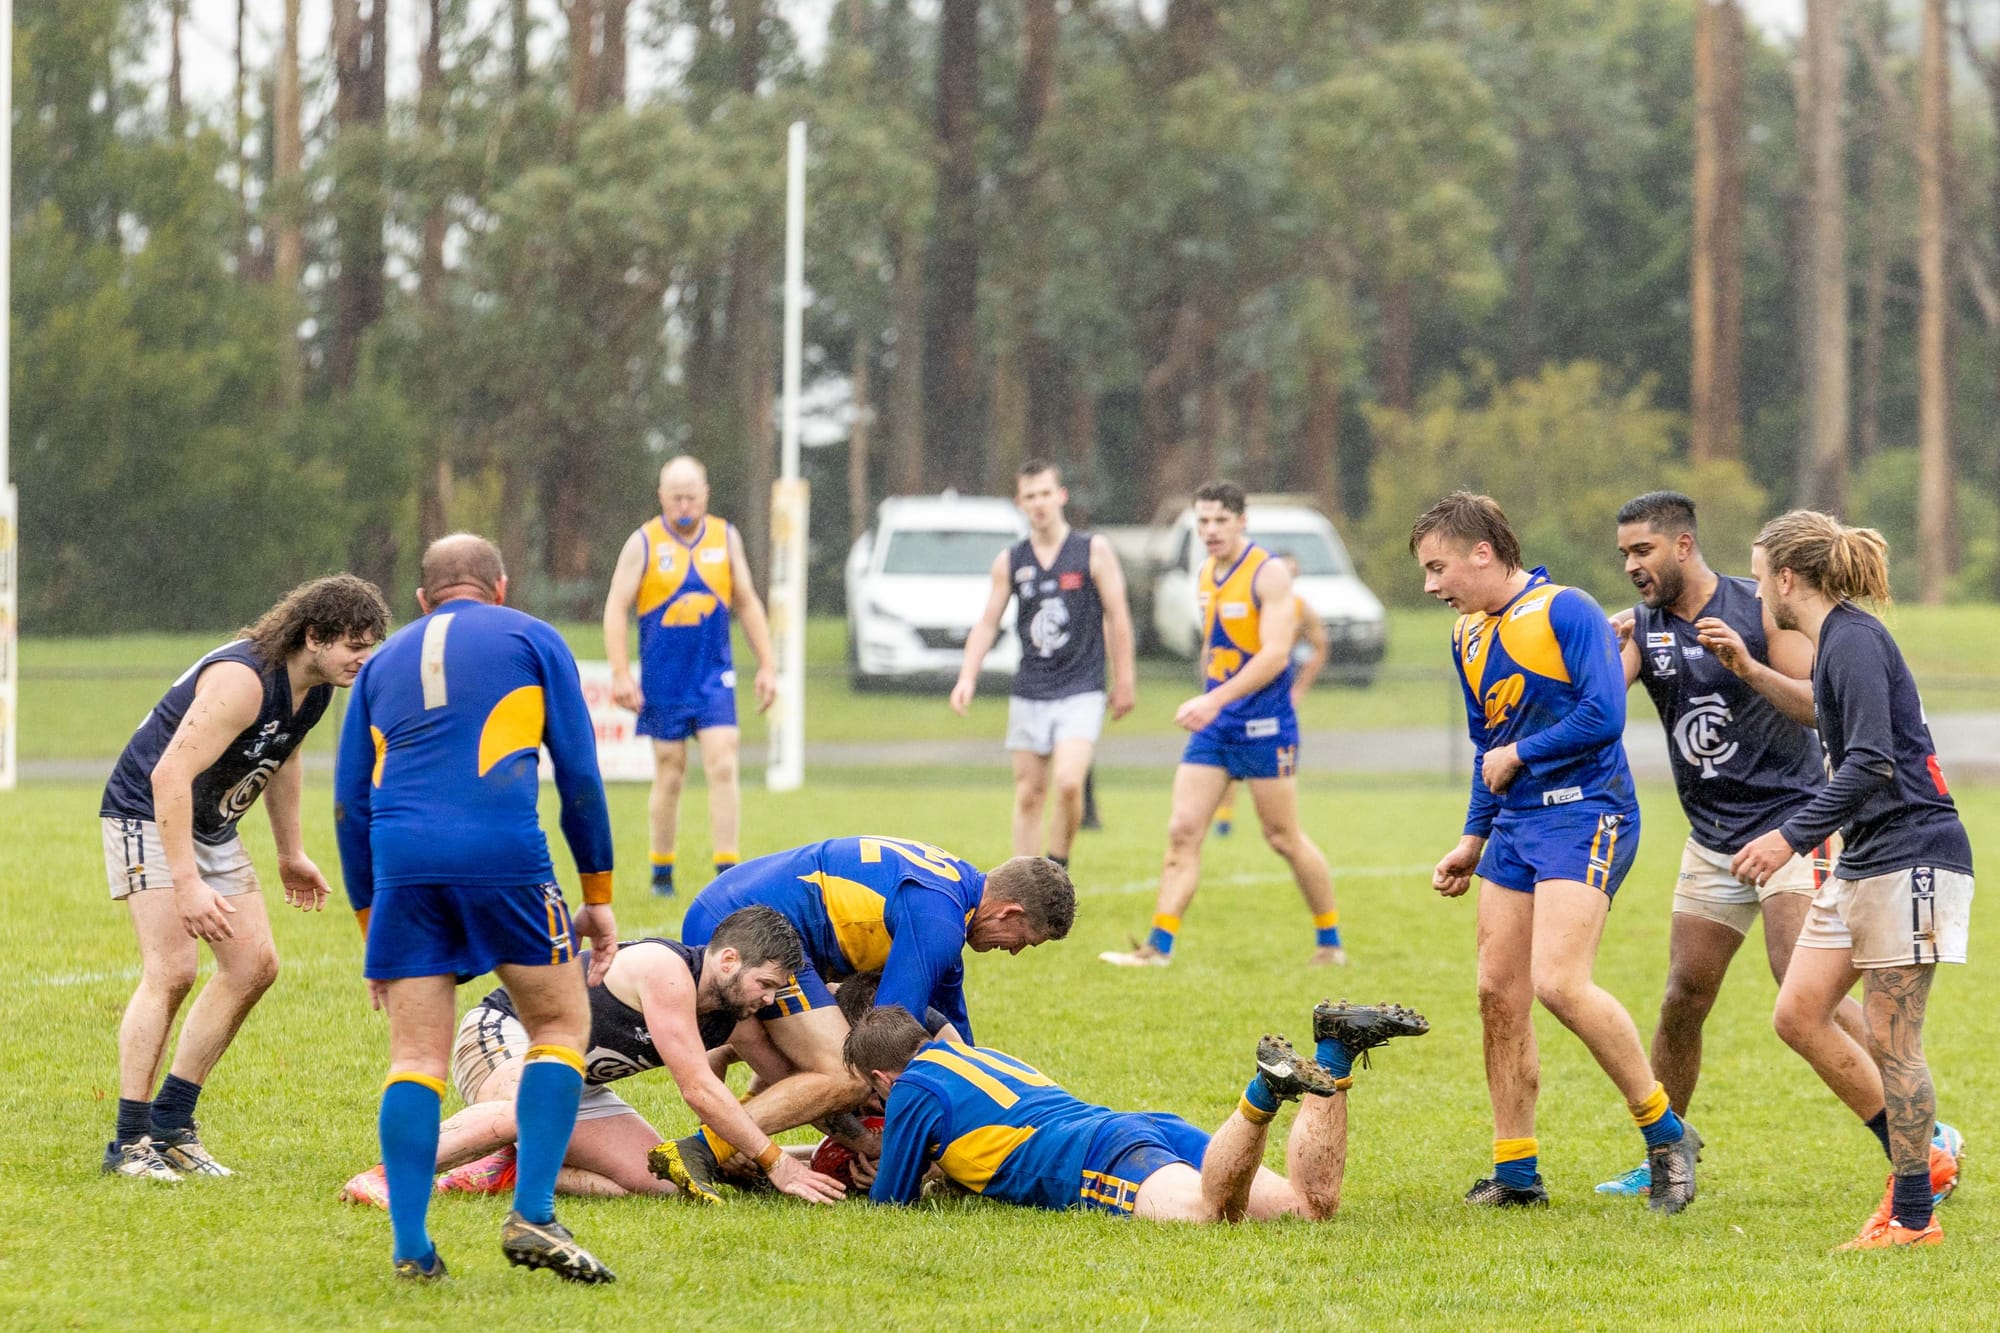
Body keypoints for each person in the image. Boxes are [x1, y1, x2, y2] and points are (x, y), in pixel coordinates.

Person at [1596, 491, 1964, 1199]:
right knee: (1682, 995)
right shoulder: (1641, 625)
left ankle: (1923, 1133)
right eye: (1624, 555)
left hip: (1793, 821)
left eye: (1642, 550)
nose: (1632, 565)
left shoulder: (1762, 606)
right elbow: (1604, 711)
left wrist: (1744, 667)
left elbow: (1817, 706)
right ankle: (1665, 1149)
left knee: (1801, 988)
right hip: (1713, 837)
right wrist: (1598, 653)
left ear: (1682, 545)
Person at [334, 534, 619, 1283]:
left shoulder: (380, 664)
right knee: (559, 1027)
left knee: (415, 1059)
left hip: (404, 868)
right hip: (504, 857)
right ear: (500, 586)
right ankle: (533, 1214)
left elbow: (348, 804)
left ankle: (411, 1247)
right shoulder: (533, 637)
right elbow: (580, 776)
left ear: (421, 599)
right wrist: (597, 895)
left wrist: (371, 929)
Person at [1412, 491, 1700, 1213]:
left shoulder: (1565, 610)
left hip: (1588, 812)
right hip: (1515, 825)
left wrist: (1520, 753)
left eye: (1438, 567)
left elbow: (1604, 714)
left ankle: (1668, 1136)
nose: (1431, 585)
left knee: (1560, 983)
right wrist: (1473, 837)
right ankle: (1516, 1173)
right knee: (1496, 992)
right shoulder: (1466, 635)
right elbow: (1487, 747)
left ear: (1482, 552)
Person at [1731, 512, 1975, 1250]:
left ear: (1786, 578)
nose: (1754, 591)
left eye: (1757, 575)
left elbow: (1871, 760)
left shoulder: (1856, 639)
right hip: (1867, 855)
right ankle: (1922, 1161)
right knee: (1798, 1012)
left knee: (1895, 1040)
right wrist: (1750, 672)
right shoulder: (1834, 643)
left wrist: (1788, 835)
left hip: (1914, 853)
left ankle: (1913, 1217)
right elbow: (1827, 715)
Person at [99, 575, 390, 1182]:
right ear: (314, 636)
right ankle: (128, 1142)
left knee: (254, 964)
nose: (364, 659)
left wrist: (291, 852)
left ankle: (171, 1126)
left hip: (210, 823)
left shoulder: (315, 687)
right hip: (147, 812)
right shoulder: (242, 680)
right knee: (172, 971)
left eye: (371, 647)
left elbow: (283, 756)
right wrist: (187, 885)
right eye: (354, 646)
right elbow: (167, 776)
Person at [650, 837, 1076, 1202]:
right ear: (1009, 912)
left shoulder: (951, 901)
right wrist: (894, 1150)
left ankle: (737, 1145)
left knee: (823, 1062)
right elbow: (884, 1037)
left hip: (736, 907)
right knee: (847, 1077)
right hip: (751, 929)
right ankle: (703, 1148)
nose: (1015, 951)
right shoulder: (938, 921)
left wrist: (967, 1123)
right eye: (1025, 940)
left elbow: (958, 1051)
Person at [339, 906, 845, 1208]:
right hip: (505, 1035)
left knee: (659, 1184)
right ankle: (388, 1175)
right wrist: (777, 1163)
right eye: (765, 984)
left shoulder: (733, 1014)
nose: (768, 999)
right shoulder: (667, 970)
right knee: (532, 1108)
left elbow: (789, 1084)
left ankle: (506, 1167)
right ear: (729, 960)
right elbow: (698, 1089)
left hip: (572, 1086)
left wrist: (855, 1145)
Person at [847, 1000, 1426, 1220]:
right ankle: (1336, 1050)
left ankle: (1265, 1090)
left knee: (1210, 1216)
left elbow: (890, 1201)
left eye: (877, 1097)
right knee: (1308, 1210)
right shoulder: (971, 1055)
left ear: (882, 1079)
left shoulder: (913, 1089)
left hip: (1097, 1157)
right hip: (1139, 1128)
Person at [1099, 481, 1344, 969]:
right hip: (1215, 728)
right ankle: (1157, 948)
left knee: (1283, 837)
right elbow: (1215, 645)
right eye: (1203, 521)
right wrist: (1208, 692)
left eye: (1220, 521)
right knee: (1182, 832)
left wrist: (1213, 699)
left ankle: (1330, 942)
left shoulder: (1269, 573)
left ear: (1241, 521)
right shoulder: (1207, 573)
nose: (1210, 530)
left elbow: (1275, 655)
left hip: (1265, 726)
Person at [603, 456, 777, 896]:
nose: (684, 505)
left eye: (691, 497)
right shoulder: (644, 543)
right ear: (661, 497)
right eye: (675, 497)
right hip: (664, 680)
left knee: (723, 761)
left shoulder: (725, 538)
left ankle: (727, 875)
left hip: (713, 677)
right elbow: (616, 607)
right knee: (670, 769)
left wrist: (768, 663)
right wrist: (621, 673)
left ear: (706, 494)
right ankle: (662, 873)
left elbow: (747, 602)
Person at [951, 460, 1137, 869]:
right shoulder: (1011, 560)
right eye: (1030, 496)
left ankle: (1057, 865)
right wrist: (967, 677)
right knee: (1029, 793)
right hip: (1031, 689)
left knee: (1069, 783)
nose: (1038, 503)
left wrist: (1125, 679)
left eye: (1045, 494)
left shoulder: (1093, 550)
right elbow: (987, 622)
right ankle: (1027, 880)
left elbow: (1118, 616)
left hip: (1082, 687)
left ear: (1061, 496)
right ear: (1020, 503)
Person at [1215, 553, 1328, 837]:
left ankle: (1284, 825)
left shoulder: (1301, 609)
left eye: (1292, 571)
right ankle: (1224, 819)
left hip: (1274, 700)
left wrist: (1300, 687)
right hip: (1239, 692)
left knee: (1273, 765)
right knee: (1225, 756)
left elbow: (1320, 647)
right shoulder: (1249, 602)